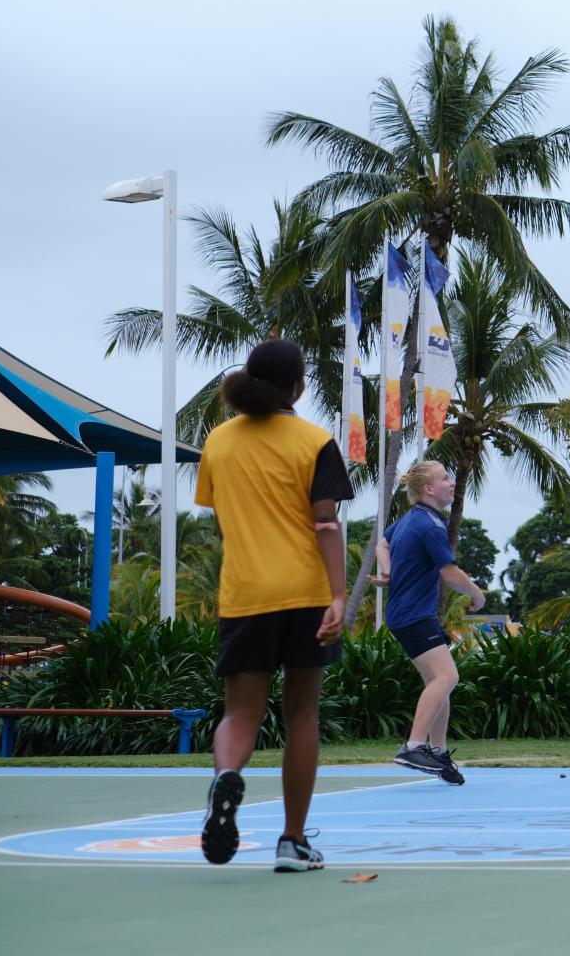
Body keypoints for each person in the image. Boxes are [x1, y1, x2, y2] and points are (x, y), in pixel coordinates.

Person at [193, 339, 353, 872]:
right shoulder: (315, 441)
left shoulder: (218, 442)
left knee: (240, 712)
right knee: (301, 713)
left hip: (245, 594)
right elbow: (325, 522)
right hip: (305, 593)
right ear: (298, 387)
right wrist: (337, 594)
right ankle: (292, 841)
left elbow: (221, 520)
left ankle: (224, 779)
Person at [371, 459, 485, 784]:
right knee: (448, 676)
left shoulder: (411, 520)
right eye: (445, 477)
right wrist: (477, 596)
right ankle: (413, 746)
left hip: (408, 616)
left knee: (439, 682)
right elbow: (449, 573)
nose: (452, 482)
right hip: (412, 616)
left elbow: (382, 542)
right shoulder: (429, 526)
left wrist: (388, 570)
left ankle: (438, 752)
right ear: (428, 489)